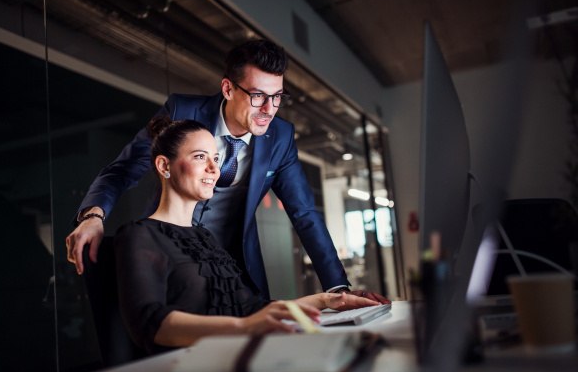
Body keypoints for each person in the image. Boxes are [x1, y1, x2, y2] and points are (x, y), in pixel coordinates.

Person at [67, 39, 390, 304]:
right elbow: (126, 167)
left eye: (278, 97)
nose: (269, 110)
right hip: (170, 256)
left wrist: (337, 289)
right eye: (259, 96)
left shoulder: (280, 137)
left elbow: (304, 213)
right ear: (227, 89)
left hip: (234, 267)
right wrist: (93, 216)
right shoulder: (183, 111)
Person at [116, 116, 380, 354]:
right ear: (164, 166)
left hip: (235, 359)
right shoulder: (138, 236)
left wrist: (328, 300)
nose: (214, 169)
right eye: (199, 157)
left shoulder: (205, 238)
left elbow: (250, 309)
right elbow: (149, 322)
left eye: (215, 158)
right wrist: (243, 326)